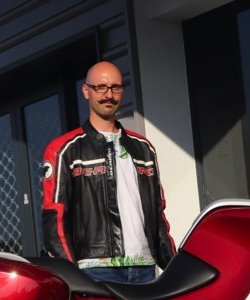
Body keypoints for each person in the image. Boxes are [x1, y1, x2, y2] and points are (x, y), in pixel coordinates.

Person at [41, 61, 176, 283]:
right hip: (94, 270)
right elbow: (54, 219)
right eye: (101, 87)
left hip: (145, 268)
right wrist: (71, 275)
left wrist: (174, 269)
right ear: (86, 91)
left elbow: (157, 214)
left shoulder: (143, 147)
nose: (109, 95)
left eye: (116, 87)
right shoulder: (64, 149)